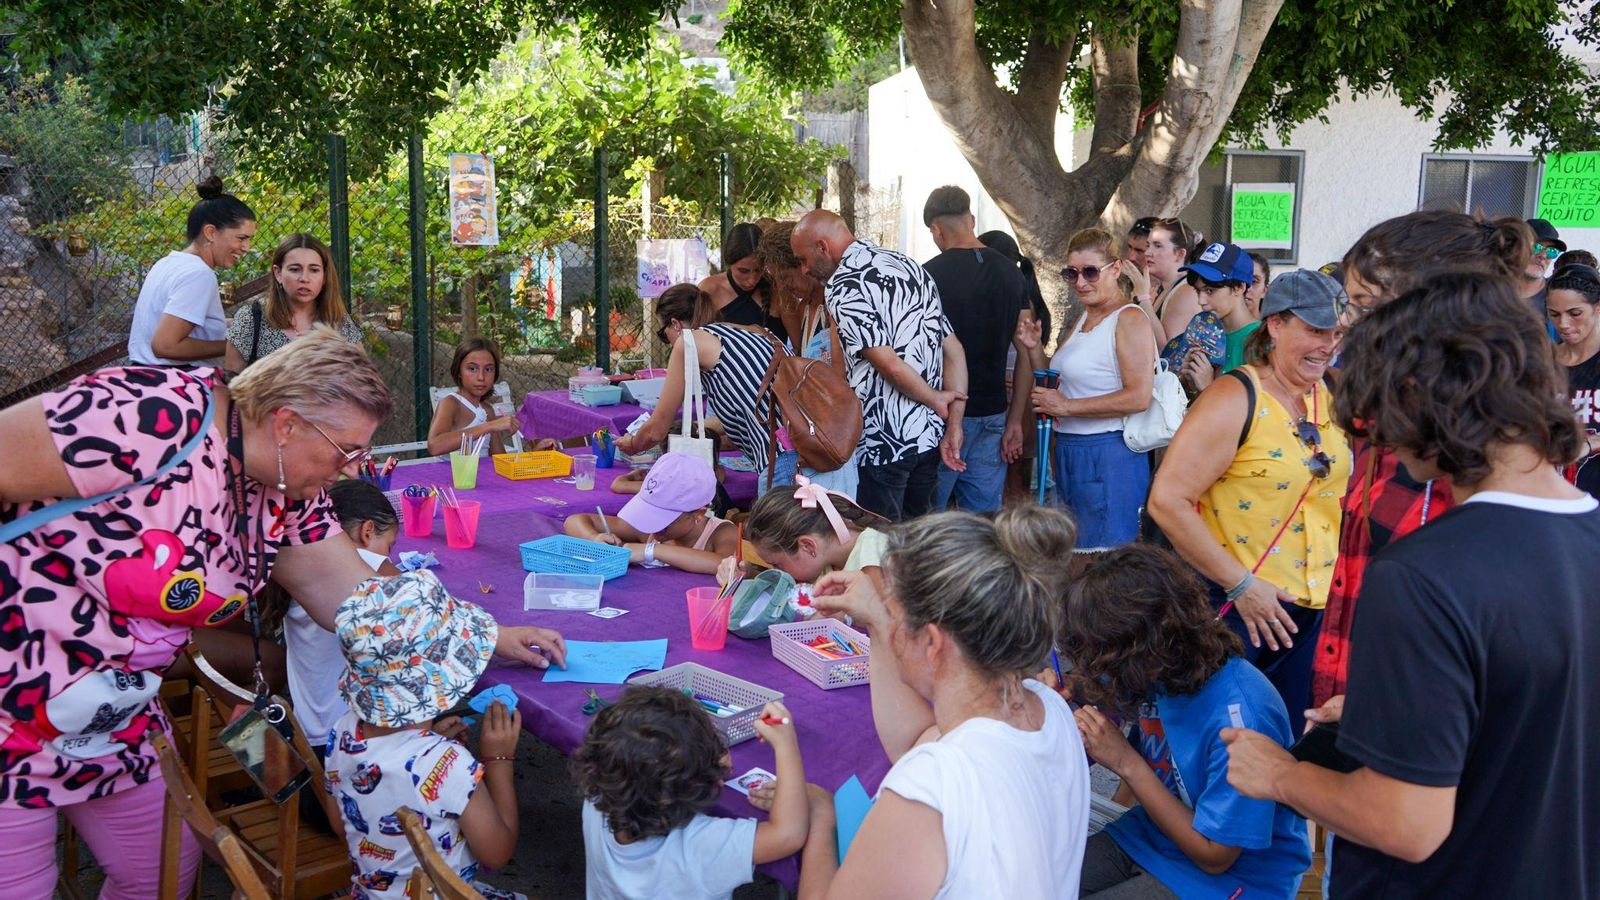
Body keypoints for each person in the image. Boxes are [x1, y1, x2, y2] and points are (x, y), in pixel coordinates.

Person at [0, 327, 566, 895]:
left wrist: (487, 633)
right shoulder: (152, 414)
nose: (353, 471)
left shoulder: (287, 492)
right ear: (287, 423)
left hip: (113, 719)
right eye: (347, 451)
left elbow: (358, 597)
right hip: (11, 705)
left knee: (162, 877)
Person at [1222, 272, 1600, 898]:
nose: (1381, 437)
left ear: (1425, 399)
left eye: (1380, 414)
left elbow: (1404, 823)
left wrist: (1279, 774)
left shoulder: (1422, 576)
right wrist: (1395, 716)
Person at [794, 507, 1089, 899]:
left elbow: (926, 764)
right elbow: (917, 742)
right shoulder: (1047, 707)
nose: (891, 624)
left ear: (933, 643)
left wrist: (819, 820)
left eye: (894, 614)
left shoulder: (927, 788)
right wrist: (880, 624)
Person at [1312, 211, 1530, 709]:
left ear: (1433, 317)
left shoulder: (1490, 478)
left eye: (1364, 308)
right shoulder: (1391, 430)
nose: (1345, 328)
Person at [1148, 269, 1351, 714]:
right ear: (1276, 325)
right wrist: (1241, 585)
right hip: (1236, 608)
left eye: (1336, 332)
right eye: (1315, 330)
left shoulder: (1333, 395)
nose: (1328, 345)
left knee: (1286, 748)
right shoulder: (1235, 396)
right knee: (1209, 745)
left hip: (1310, 612)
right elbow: (1166, 500)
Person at [1067, 545, 1310, 900]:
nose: (1098, 670)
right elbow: (1102, 693)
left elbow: (1215, 857)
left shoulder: (1242, 720)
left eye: (1102, 659)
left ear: (1142, 647)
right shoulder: (1165, 668)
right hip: (1150, 838)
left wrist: (1126, 763)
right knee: (1035, 880)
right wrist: (1066, 692)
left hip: (1236, 880)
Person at [327, 571, 524, 899]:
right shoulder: (449, 761)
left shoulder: (343, 730)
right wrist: (498, 759)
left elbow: (342, 822)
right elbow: (498, 852)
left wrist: (430, 738)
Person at [791, 209, 968, 522]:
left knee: (878, 546)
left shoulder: (843, 285)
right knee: (918, 544)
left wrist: (935, 399)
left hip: (882, 441)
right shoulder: (910, 266)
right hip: (927, 437)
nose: (803, 270)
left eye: (803, 259)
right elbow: (953, 350)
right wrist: (952, 421)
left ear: (823, 246)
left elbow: (888, 364)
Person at [574, 687, 821, 900]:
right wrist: (786, 743)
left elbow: (639, 761)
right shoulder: (700, 845)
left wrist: (699, 766)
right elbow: (789, 834)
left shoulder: (599, 797)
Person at [1017, 228, 1155, 554]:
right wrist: (1035, 348)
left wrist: (1067, 408)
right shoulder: (1086, 317)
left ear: (1116, 269)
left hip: (1107, 454)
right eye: (1072, 273)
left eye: (1090, 272)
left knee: (1103, 564)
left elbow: (1138, 396)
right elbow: (1062, 378)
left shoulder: (1129, 319)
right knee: (1076, 556)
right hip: (1071, 450)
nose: (1080, 282)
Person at [920, 186, 1032, 513]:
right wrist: (1016, 418)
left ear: (936, 230)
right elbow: (1026, 350)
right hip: (995, 413)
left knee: (931, 524)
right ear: (971, 220)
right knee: (981, 526)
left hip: (941, 416)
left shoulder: (928, 275)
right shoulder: (1011, 273)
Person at [615, 285, 794, 489]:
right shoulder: (754, 332)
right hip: (812, 451)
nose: (670, 345)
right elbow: (748, 410)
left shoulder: (687, 342)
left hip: (782, 460)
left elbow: (655, 430)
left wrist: (633, 444)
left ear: (675, 324)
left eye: (664, 336)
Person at [284, 479, 402, 759]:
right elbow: (417, 606)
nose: (390, 556)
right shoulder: (365, 568)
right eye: (389, 545)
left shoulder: (302, 565)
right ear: (367, 531)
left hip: (310, 733)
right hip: (349, 742)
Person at [753, 222, 859, 496]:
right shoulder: (805, 307)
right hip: (819, 434)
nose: (784, 287)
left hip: (837, 437)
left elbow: (837, 376)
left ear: (805, 266)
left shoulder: (833, 306)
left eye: (785, 278)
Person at [128, 175, 256, 366]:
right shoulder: (199, 274)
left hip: (143, 375)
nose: (246, 247)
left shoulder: (167, 263)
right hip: (176, 383)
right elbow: (164, 346)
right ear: (211, 232)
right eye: (241, 238)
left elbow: (191, 325)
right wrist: (234, 345)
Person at [565, 451, 738, 575]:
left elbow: (726, 565)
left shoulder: (721, 533)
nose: (654, 531)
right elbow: (574, 521)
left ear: (698, 514)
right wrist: (594, 538)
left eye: (663, 525)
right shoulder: (648, 530)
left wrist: (651, 551)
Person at [979, 230, 1055, 506]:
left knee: (1014, 473)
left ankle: (1015, 532)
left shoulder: (1022, 303)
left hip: (1019, 399)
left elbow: (1027, 355)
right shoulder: (1021, 296)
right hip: (1017, 397)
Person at [225, 232, 362, 372]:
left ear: (325, 276)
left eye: (314, 270)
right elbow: (231, 384)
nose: (304, 278)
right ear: (278, 273)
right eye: (295, 269)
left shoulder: (339, 321)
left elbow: (364, 382)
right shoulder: (251, 318)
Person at [734, 480, 892, 588]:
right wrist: (750, 574)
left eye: (777, 564)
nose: (778, 571)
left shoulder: (873, 556)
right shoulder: (825, 560)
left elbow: (888, 623)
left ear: (808, 546)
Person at [1173, 241, 1261, 393]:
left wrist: (1208, 389)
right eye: (1198, 291)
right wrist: (1189, 384)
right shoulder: (1204, 334)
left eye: (1210, 291)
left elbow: (1256, 410)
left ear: (1239, 287)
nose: (1201, 301)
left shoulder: (1259, 340)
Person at [1549, 264, 1600, 498]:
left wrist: (1589, 444)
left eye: (1575, 313)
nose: (1564, 324)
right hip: (1554, 499)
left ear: (1597, 308)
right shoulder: (1541, 362)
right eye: (1554, 314)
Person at [427, 338, 524, 457]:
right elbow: (435, 446)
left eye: (488, 369)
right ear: (458, 371)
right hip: (452, 475)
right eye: (472, 369)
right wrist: (489, 426)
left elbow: (500, 459)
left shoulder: (487, 410)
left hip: (482, 475)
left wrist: (536, 452)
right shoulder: (451, 403)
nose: (481, 377)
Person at [700, 222, 787, 345]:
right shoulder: (709, 289)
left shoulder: (779, 290)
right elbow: (695, 338)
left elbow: (797, 345)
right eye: (743, 271)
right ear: (728, 263)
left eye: (758, 270)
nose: (752, 280)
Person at [1141, 218, 1203, 342]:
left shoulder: (1186, 292)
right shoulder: (1162, 287)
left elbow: (1167, 352)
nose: (1148, 252)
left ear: (1180, 254)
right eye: (1148, 245)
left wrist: (1143, 299)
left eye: (1158, 246)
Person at [1245, 253, 1271, 320]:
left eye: (1253, 281)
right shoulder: (1216, 328)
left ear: (1265, 290)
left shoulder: (1273, 328)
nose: (1245, 288)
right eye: (1238, 281)